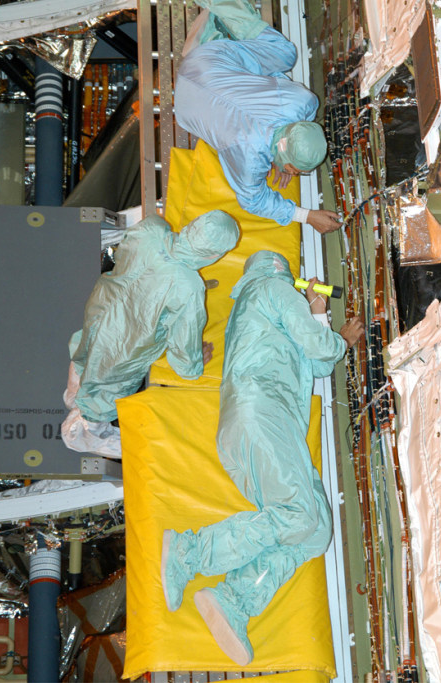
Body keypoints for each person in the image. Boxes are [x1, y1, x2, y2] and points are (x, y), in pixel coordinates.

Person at [160, 250, 363, 665]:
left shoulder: (250, 307)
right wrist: (339, 336)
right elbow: (323, 351)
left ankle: (233, 598)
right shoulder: (273, 288)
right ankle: (190, 553)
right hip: (262, 416)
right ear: (281, 272)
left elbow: (315, 365)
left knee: (315, 530)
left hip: (251, 426)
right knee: (297, 514)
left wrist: (316, 315)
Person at [61, 210, 240, 458]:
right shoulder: (187, 288)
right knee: (104, 387)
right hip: (123, 347)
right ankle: (86, 428)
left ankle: (75, 392)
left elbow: (135, 244)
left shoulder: (152, 229)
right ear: (213, 255)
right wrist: (194, 363)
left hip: (100, 311)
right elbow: (184, 358)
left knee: (86, 350)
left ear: (192, 225)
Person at [174, 0, 343, 235]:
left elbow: (271, 79)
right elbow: (253, 201)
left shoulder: (303, 103)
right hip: (187, 100)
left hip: (208, 65)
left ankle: (215, 34)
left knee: (284, 55)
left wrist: (282, 156)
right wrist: (307, 216)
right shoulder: (251, 159)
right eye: (296, 171)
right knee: (284, 56)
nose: (294, 175)